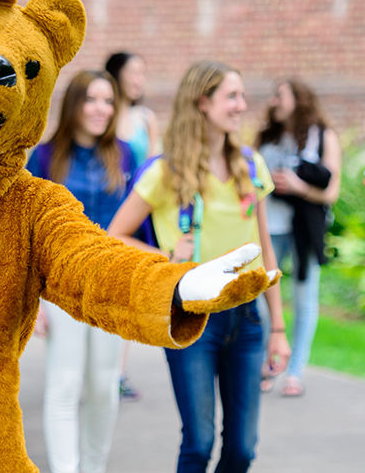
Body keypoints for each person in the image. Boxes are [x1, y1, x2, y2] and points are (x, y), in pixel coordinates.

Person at [108, 60, 291, 472]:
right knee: (199, 441)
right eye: (232, 96)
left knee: (242, 448)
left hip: (247, 320)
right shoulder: (164, 172)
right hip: (193, 320)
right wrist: (165, 261)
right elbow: (115, 234)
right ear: (203, 102)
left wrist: (278, 328)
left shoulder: (251, 166)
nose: (242, 105)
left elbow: (265, 250)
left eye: (242, 96)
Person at [27, 70, 136, 473]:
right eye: (92, 100)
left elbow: (134, 224)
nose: (101, 109)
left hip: (110, 283)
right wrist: (33, 299)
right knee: (65, 382)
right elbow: (31, 232)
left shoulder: (124, 155)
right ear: (74, 104)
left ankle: (93, 467)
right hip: (62, 285)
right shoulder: (43, 156)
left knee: (104, 387)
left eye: (108, 101)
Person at [255, 78, 341, 398]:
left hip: (305, 229)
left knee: (304, 299)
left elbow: (330, 191)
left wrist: (297, 186)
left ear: (298, 99)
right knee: (261, 297)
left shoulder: (322, 136)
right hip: (271, 226)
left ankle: (295, 372)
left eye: (280, 95)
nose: (274, 100)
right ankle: (269, 362)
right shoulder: (268, 137)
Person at [105, 51, 159, 399]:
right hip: (107, 207)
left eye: (143, 72)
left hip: (135, 212)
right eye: (134, 72)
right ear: (118, 74)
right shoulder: (104, 112)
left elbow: (156, 164)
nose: (139, 79)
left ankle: (118, 371)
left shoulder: (146, 118)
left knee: (124, 292)